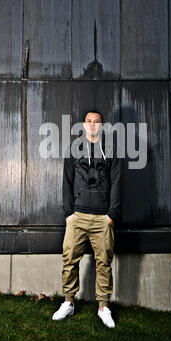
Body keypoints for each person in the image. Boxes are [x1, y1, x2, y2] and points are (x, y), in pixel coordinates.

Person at [52, 110, 122, 328]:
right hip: (78, 216)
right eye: (89, 121)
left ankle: (103, 306)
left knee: (103, 262)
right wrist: (68, 213)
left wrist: (112, 214)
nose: (93, 125)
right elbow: (66, 182)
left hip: (102, 218)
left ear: (102, 126)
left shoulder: (111, 150)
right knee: (70, 258)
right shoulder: (74, 149)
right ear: (84, 125)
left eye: (97, 122)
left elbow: (118, 183)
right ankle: (68, 302)